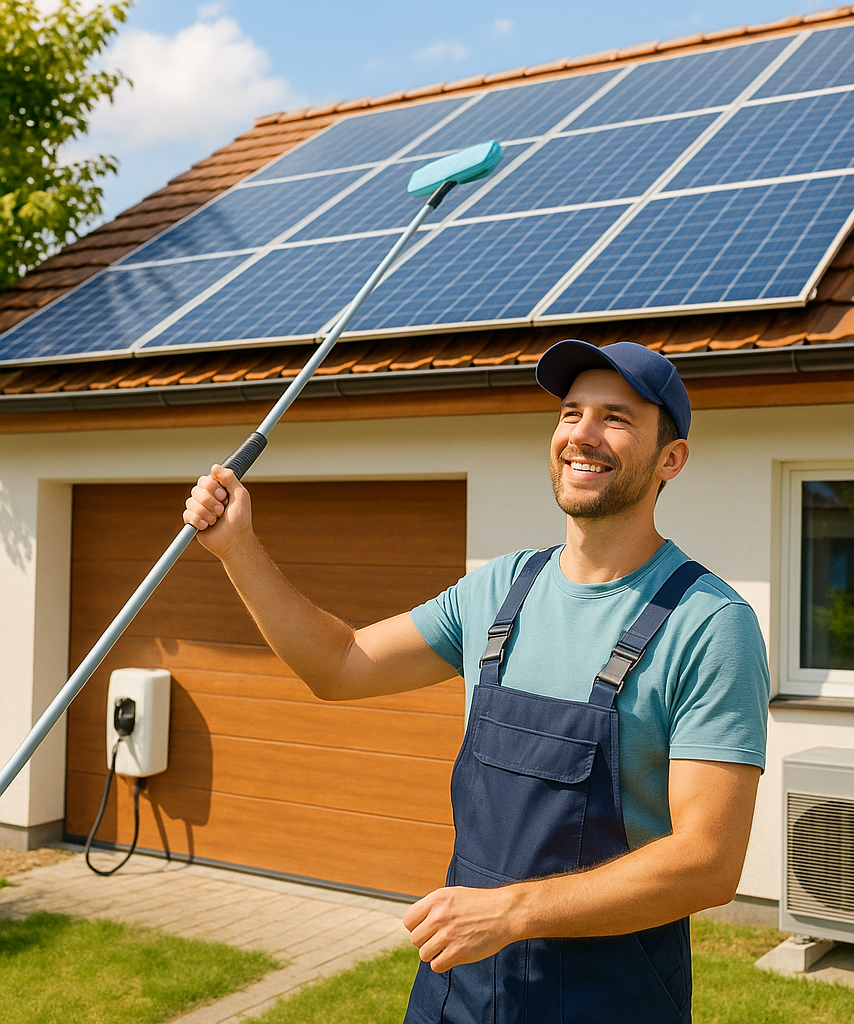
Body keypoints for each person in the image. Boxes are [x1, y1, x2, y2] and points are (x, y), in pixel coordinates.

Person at [183, 339, 769, 1024]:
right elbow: (338, 665)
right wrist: (238, 550)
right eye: (571, 412)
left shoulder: (708, 625)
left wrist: (512, 911)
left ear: (671, 458)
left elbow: (708, 862)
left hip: (608, 1000)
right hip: (459, 993)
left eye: (616, 417)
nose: (581, 434)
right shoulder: (499, 589)